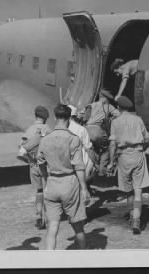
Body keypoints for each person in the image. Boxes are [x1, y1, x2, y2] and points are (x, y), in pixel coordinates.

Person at [37, 104, 90, 250]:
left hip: (52, 183)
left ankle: (49, 263)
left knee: (52, 227)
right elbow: (79, 166)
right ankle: (84, 259)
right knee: (78, 227)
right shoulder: (73, 139)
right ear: (69, 118)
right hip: (70, 183)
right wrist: (84, 188)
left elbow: (40, 163)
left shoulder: (45, 139)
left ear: (55, 118)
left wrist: (46, 178)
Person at [107, 96, 149, 234]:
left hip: (123, 157)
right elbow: (147, 138)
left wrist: (110, 162)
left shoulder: (115, 122)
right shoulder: (138, 119)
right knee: (138, 189)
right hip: (138, 154)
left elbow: (112, 144)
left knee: (128, 190)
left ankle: (132, 215)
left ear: (119, 107)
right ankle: (137, 220)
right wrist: (143, 149)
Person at [19, 106, 51, 229]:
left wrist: (30, 161)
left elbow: (21, 150)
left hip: (33, 165)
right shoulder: (47, 129)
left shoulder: (29, 130)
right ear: (45, 117)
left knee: (39, 191)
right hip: (45, 165)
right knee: (47, 191)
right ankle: (47, 218)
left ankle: (38, 214)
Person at [84, 89, 120, 176]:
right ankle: (102, 169)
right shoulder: (108, 106)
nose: (108, 101)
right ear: (104, 98)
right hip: (97, 130)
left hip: (87, 130)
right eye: (108, 99)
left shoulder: (91, 105)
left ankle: (94, 166)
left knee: (93, 148)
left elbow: (83, 117)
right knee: (108, 146)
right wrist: (111, 119)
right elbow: (119, 114)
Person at [68, 105, 96, 183]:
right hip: (82, 166)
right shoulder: (81, 129)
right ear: (74, 116)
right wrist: (94, 164)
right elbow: (89, 149)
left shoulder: (61, 129)